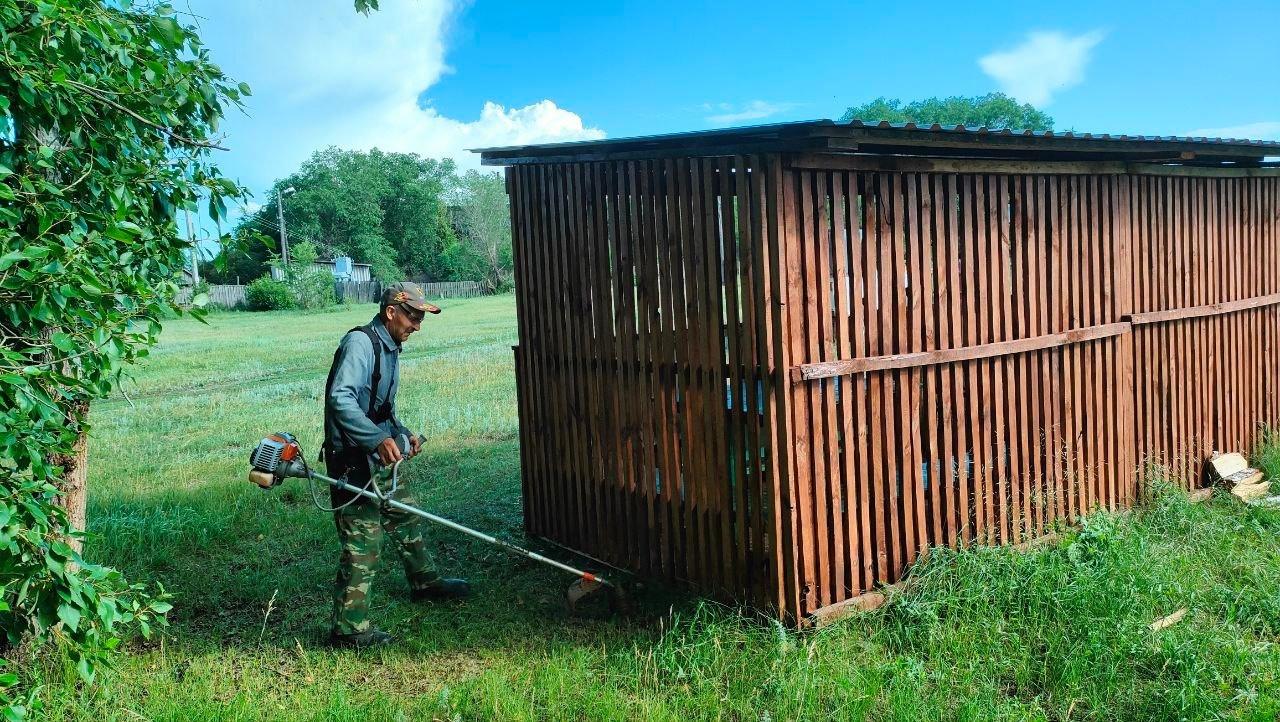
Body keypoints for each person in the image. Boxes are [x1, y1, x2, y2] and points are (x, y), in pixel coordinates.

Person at [321, 281, 469, 648]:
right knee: (363, 545)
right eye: (413, 317)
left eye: (421, 318)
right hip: (352, 462)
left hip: (378, 457)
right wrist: (377, 440)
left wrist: (403, 434)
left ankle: (425, 583)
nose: (417, 325)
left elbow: (381, 410)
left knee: (405, 515)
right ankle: (349, 631)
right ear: (391, 312)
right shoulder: (360, 343)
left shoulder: (391, 347)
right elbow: (341, 399)